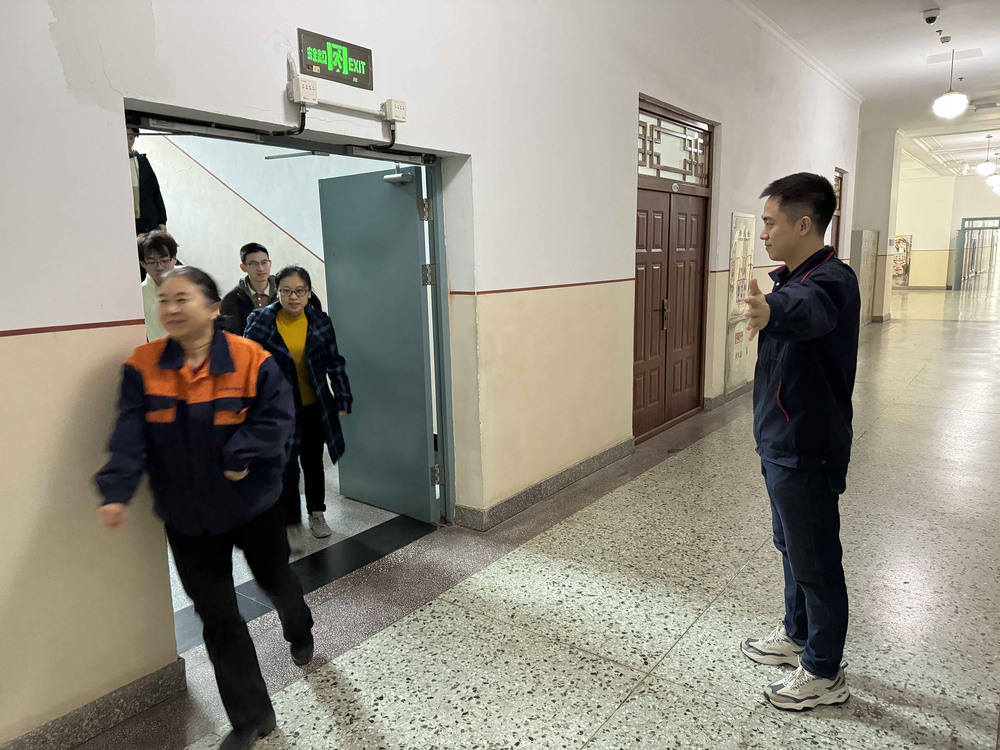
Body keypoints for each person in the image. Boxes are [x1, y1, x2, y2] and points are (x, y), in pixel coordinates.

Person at [95, 267, 314, 750]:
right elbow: (129, 435)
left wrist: (240, 455)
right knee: (218, 617)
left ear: (214, 309)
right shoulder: (143, 366)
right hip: (188, 516)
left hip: (252, 506)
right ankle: (252, 717)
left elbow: (277, 420)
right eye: (164, 299)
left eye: (182, 299)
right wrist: (116, 490)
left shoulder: (250, 359)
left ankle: (298, 623)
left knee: (277, 581)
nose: (170, 308)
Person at [739, 173, 860, 711]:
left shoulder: (830, 280)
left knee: (816, 560)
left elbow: (810, 311)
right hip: (779, 441)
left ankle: (824, 671)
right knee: (790, 546)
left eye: (770, 222)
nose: (763, 232)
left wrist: (773, 311)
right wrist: (774, 304)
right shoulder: (793, 279)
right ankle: (796, 635)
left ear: (804, 224)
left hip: (808, 446)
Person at [244, 266, 352, 544]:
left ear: (308, 293)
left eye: (300, 291)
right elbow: (247, 366)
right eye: (287, 291)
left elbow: (334, 362)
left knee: (313, 463)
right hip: (279, 410)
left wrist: (342, 396)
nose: (293, 297)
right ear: (277, 291)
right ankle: (289, 519)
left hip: (314, 406)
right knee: (286, 467)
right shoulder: (261, 321)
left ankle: (317, 513)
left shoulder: (320, 321)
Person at [221, 243, 278, 335]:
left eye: (264, 262)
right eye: (254, 264)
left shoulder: (283, 291)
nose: (260, 268)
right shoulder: (231, 300)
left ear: (270, 263)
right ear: (243, 267)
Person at [138, 230, 179, 341]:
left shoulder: (192, 284)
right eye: (152, 262)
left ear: (174, 259)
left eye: (164, 260)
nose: (159, 267)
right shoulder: (140, 293)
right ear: (143, 263)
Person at [128, 127, 167, 236]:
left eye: (132, 138)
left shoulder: (142, 162)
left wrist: (161, 221)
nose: (129, 142)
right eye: (126, 137)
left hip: (145, 224)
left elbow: (155, 192)